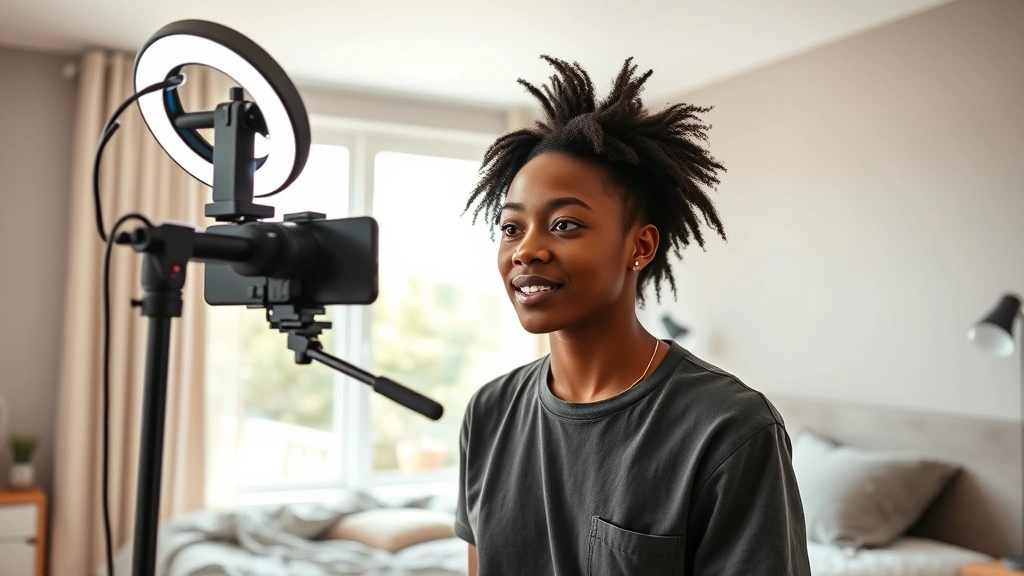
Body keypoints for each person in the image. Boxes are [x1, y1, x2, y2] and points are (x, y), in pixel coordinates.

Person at [455, 56, 811, 576]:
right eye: (511, 228)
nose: (525, 250)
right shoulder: (488, 413)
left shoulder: (729, 429)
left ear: (639, 246)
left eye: (565, 224)